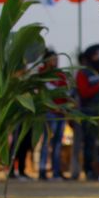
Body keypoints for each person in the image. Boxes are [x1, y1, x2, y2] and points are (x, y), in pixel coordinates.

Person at [75, 44, 99, 180]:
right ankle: (88, 170)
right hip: (89, 112)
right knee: (89, 142)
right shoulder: (83, 73)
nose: (98, 57)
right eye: (96, 55)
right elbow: (84, 92)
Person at [38, 49, 70, 181]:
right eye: (53, 58)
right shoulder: (42, 73)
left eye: (56, 59)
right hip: (49, 112)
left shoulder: (60, 74)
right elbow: (48, 91)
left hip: (60, 113)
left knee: (57, 144)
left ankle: (56, 171)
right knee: (47, 142)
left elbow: (64, 91)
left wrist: (66, 106)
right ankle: (42, 169)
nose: (55, 61)